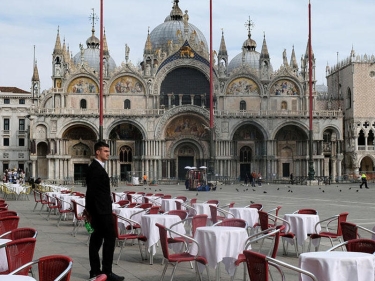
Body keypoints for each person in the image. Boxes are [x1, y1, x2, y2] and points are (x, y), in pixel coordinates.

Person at [85, 141, 124, 281]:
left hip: (99, 211)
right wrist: (90, 212)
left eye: (108, 151)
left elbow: (91, 192)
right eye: (105, 151)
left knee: (96, 241)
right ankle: (106, 272)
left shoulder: (96, 167)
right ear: (98, 152)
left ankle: (96, 272)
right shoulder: (95, 169)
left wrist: (88, 210)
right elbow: (91, 193)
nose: (108, 154)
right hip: (101, 212)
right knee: (109, 240)